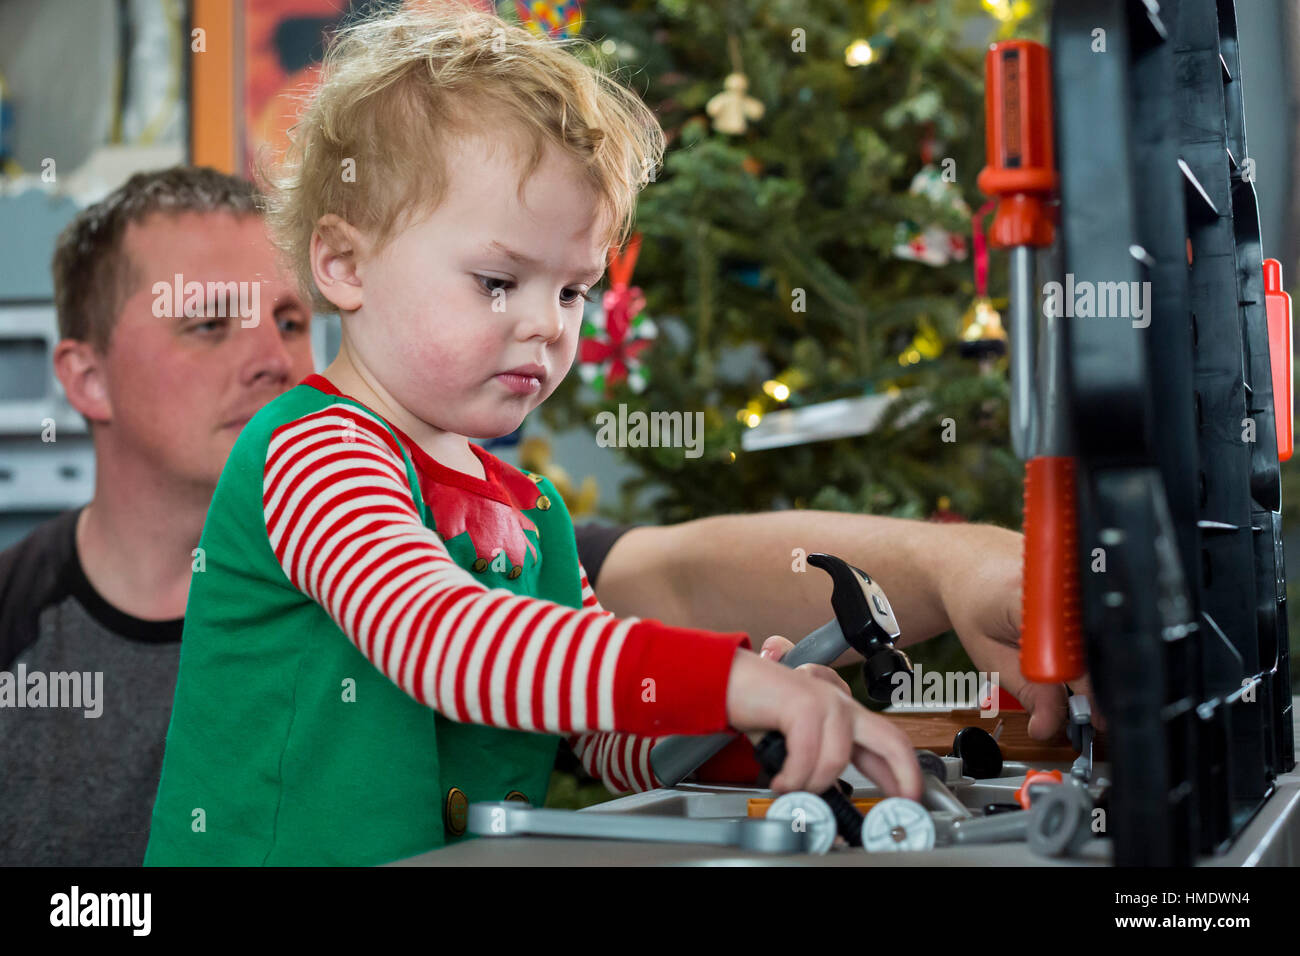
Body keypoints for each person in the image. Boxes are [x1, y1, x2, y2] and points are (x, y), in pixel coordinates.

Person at [141, 7, 926, 866]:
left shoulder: (533, 512)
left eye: (571, 291)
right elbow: (440, 639)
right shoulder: (312, 452)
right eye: (497, 280)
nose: (545, 328)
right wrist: (729, 674)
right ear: (345, 265)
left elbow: (601, 736)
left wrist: (741, 722)